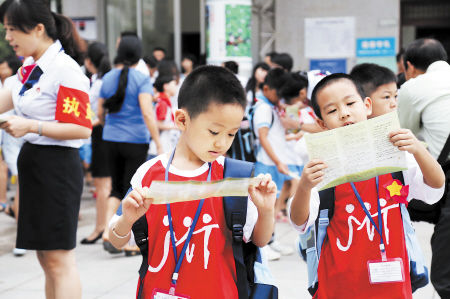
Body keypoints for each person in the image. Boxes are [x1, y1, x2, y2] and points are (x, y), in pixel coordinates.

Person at [109, 65, 277, 298]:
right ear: (182, 120)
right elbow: (116, 240)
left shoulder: (234, 177)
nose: (222, 144)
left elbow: (259, 240)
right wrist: (127, 219)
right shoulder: (150, 173)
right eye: (213, 132)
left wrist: (266, 209)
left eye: (231, 134)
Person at [289, 73, 445, 298]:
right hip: (338, 287)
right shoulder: (322, 165)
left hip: (392, 286)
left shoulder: (395, 153)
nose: (344, 113)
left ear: (367, 105)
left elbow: (434, 190)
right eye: (332, 111)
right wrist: (304, 187)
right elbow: (299, 221)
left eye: (350, 103)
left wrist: (419, 150)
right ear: (322, 123)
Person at [0, 0, 91, 298]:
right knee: (45, 258)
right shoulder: (28, 69)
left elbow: (81, 128)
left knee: (59, 259)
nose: (8, 37)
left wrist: (30, 127)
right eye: (6, 30)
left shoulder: (65, 70)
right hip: (35, 166)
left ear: (38, 29)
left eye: (13, 30)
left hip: (57, 169)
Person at [97, 35, 163, 255]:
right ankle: (123, 237)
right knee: (132, 187)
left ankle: (108, 232)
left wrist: (110, 127)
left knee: (115, 187)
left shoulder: (107, 77)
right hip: (135, 140)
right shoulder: (142, 79)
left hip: (110, 138)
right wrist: (157, 141)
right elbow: (147, 112)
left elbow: (100, 112)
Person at [397, 38, 450, 298]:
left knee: (444, 276)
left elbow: (402, 133)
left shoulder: (414, 86)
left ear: (408, 66)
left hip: (445, 180)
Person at [252, 68, 299, 259]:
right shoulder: (263, 108)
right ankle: (262, 245)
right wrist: (278, 161)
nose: (280, 97)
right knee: (264, 207)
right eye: (277, 93)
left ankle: (271, 240)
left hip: (275, 162)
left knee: (272, 205)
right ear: (267, 88)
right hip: (267, 163)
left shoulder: (271, 106)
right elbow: (263, 138)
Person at [80, 41, 112, 245]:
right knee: (103, 185)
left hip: (101, 134)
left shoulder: (101, 82)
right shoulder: (101, 79)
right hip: (99, 134)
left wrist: (83, 126)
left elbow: (102, 115)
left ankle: (102, 228)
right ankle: (102, 227)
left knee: (103, 185)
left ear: (90, 61)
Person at [153, 75, 180, 153]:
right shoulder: (163, 103)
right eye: (174, 84)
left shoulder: (163, 101)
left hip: (164, 144)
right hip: (161, 146)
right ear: (166, 86)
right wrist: (176, 127)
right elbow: (159, 125)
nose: (176, 87)